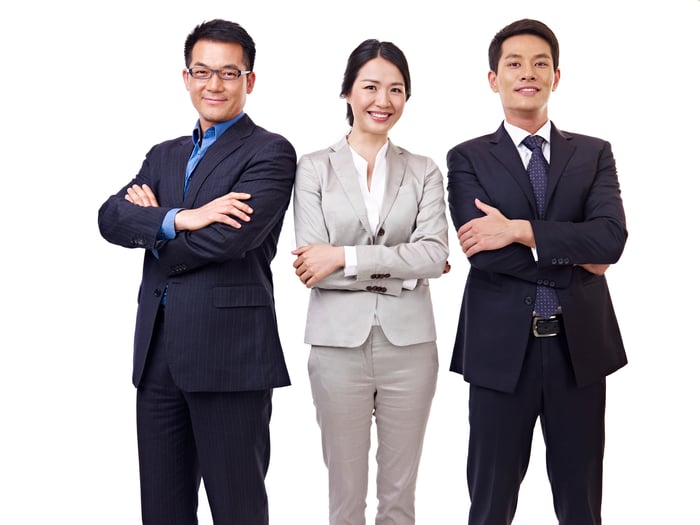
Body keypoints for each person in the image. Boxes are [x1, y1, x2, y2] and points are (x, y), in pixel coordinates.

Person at [97, 19, 296, 525]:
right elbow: (109, 217)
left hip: (229, 354)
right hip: (157, 353)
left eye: (229, 73)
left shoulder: (270, 152)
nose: (214, 85)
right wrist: (179, 217)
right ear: (185, 77)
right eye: (202, 72)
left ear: (250, 80)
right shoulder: (164, 155)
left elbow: (233, 238)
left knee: (237, 508)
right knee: (161, 510)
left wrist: (152, 228)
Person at [446, 19, 627, 525]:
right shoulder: (467, 158)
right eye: (514, 64)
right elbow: (482, 251)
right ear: (493, 78)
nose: (528, 73)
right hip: (501, 352)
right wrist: (578, 253)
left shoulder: (593, 153)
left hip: (580, 351)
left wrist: (523, 230)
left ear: (556, 76)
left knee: (581, 504)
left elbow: (611, 240)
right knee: (489, 504)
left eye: (540, 63)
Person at [292, 39, 450, 525]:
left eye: (396, 89)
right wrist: (402, 274)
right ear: (348, 93)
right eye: (371, 87)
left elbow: (436, 253)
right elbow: (309, 267)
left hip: (410, 348)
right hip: (337, 346)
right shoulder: (313, 167)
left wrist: (343, 257)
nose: (383, 100)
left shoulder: (424, 171)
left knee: (400, 497)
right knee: (345, 495)